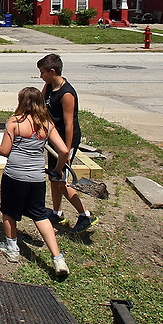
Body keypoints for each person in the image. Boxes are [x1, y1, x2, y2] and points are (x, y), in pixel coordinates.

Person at [0, 86, 71, 277]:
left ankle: (12, 249)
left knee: (9, 212)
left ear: (22, 102)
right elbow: (64, 151)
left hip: (14, 176)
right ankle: (57, 259)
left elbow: (5, 150)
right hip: (37, 178)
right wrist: (57, 170)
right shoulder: (47, 124)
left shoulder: (14, 122)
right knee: (40, 215)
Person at [37, 53, 95, 234]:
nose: (41, 76)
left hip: (65, 141)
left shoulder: (66, 93)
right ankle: (56, 211)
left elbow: (69, 124)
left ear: (53, 71)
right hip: (54, 138)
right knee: (54, 176)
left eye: (43, 73)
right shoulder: (48, 86)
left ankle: (85, 215)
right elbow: (40, 104)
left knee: (61, 180)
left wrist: (67, 152)